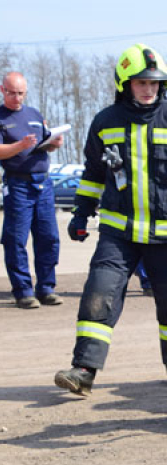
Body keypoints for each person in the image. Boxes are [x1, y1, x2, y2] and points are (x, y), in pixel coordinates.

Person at [53, 44, 167, 396]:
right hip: (118, 234)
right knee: (99, 295)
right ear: (124, 84)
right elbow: (94, 174)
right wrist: (82, 212)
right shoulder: (104, 122)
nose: (148, 89)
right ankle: (83, 369)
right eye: (141, 82)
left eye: (154, 83)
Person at [0, 72, 65, 309]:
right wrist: (20, 146)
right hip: (18, 184)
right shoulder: (1, 116)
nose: (16, 98)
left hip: (44, 184)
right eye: (11, 93)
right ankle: (23, 291)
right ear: (2, 89)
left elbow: (45, 144)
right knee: (16, 239)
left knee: (49, 237)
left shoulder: (35, 114)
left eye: (20, 93)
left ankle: (46, 288)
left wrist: (54, 143)